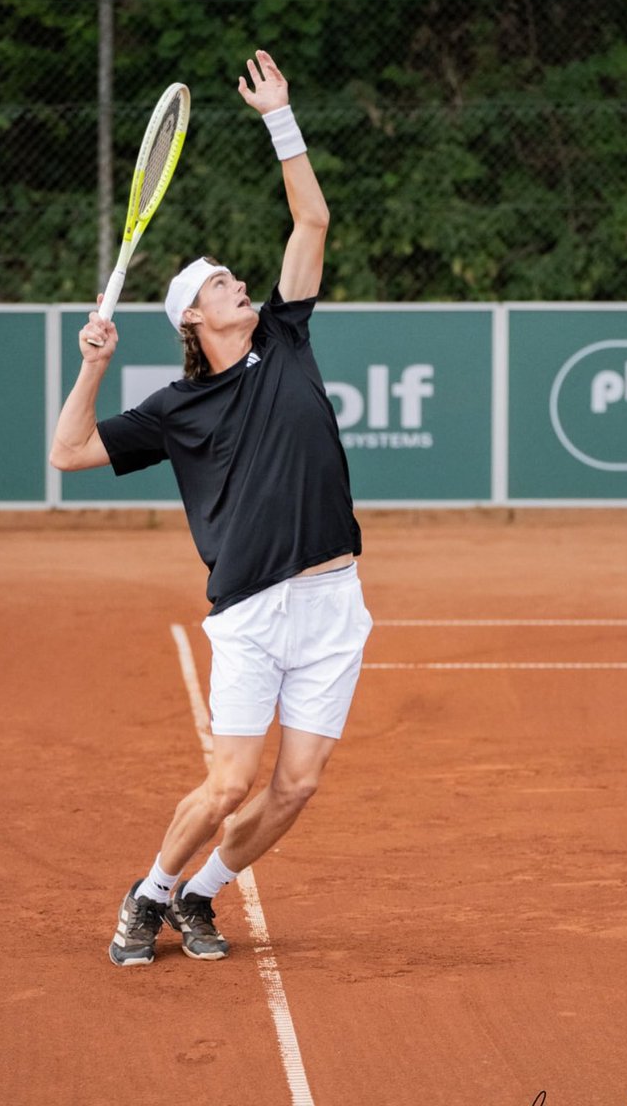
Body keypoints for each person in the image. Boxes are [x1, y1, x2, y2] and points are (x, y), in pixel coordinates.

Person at [49, 49, 373, 966]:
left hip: (334, 602)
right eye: (222, 282)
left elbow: (311, 214)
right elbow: (67, 452)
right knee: (231, 781)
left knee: (298, 785)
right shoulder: (173, 410)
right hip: (254, 614)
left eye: (237, 276)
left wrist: (282, 117)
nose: (240, 282)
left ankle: (202, 895)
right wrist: (93, 367)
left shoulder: (287, 336)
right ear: (194, 318)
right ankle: (149, 893)